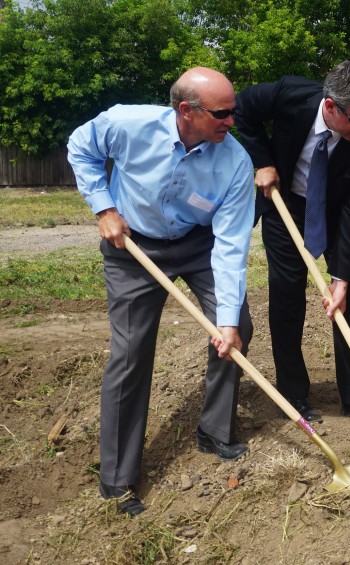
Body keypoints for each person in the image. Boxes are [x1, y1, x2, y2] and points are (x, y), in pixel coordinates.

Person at [67, 67, 255, 516]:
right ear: (186, 111)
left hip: (197, 245)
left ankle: (214, 430)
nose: (232, 122)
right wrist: (103, 207)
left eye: (235, 112)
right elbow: (80, 146)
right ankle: (117, 480)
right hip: (132, 244)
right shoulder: (127, 125)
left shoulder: (235, 162)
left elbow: (230, 247)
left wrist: (226, 321)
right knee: (131, 351)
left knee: (235, 327)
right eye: (222, 113)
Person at [233, 61, 350, 432]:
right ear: (331, 106)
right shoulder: (290, 94)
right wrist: (264, 162)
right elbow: (242, 108)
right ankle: (294, 393)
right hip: (286, 204)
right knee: (286, 296)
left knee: (349, 301)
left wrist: (341, 278)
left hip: (338, 214)